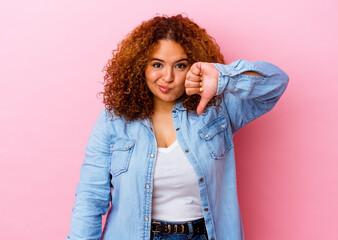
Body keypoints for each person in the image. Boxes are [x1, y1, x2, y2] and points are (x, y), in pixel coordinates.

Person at [66, 14, 289, 240]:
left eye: (180, 66)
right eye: (157, 65)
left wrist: (223, 79)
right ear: (140, 67)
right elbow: (90, 198)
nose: (168, 77)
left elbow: (277, 82)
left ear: (194, 66)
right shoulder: (113, 121)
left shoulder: (217, 110)